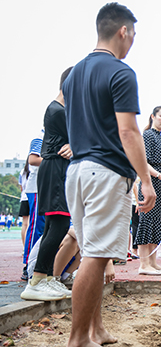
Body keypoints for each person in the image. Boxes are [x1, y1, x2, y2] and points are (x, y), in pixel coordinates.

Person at [62, 2, 156, 347]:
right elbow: (129, 132)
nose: (132, 42)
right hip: (106, 172)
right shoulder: (120, 72)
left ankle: (95, 330)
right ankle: (77, 339)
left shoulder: (74, 74)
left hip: (78, 171)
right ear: (123, 31)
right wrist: (145, 180)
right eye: (133, 35)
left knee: (92, 254)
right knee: (96, 256)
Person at [21, 67, 74, 301]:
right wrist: (78, 146)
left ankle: (48, 278)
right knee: (59, 226)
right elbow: (87, 136)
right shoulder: (57, 111)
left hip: (57, 171)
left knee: (56, 226)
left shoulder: (62, 110)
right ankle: (37, 280)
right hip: (54, 172)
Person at [136, 106, 161, 275]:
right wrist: (160, 176)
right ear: (153, 116)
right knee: (147, 221)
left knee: (158, 222)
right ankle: (143, 264)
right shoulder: (147, 136)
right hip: (149, 181)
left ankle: (153, 262)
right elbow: (143, 161)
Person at [22, 131, 45, 282]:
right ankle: (27, 265)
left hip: (51, 187)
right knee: (35, 227)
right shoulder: (40, 136)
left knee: (45, 228)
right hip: (37, 188)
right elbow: (32, 160)